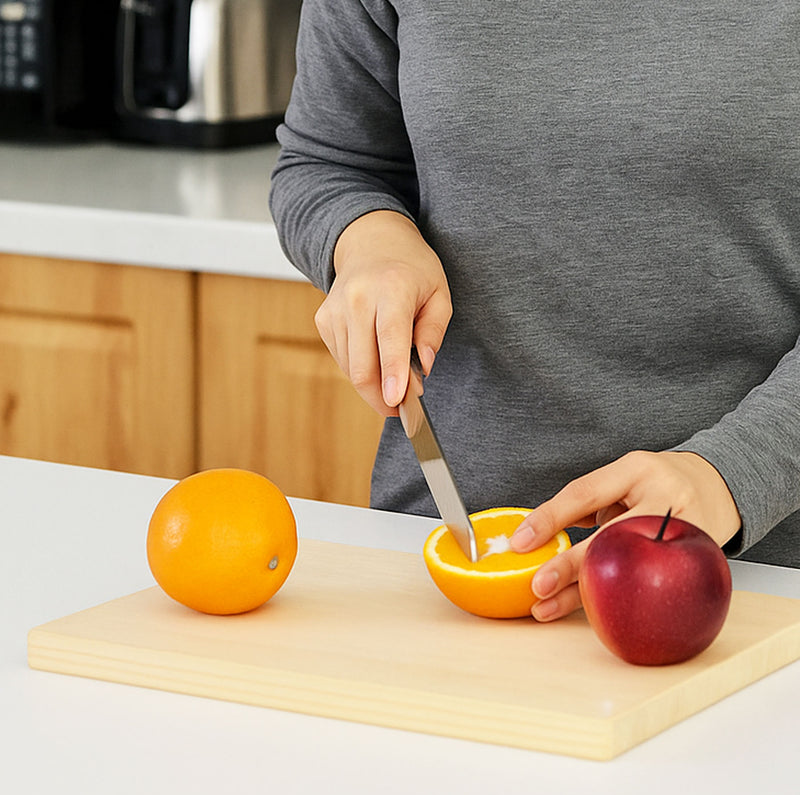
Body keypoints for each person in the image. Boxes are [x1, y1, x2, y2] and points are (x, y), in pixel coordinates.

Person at [270, 0, 800, 621]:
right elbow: (329, 160)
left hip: (760, 576)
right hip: (445, 566)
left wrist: (731, 474)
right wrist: (369, 239)